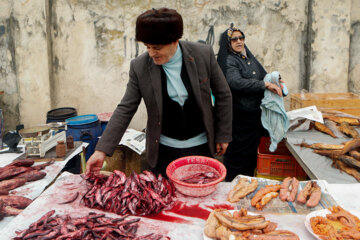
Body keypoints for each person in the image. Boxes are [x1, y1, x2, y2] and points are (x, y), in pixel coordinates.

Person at [86, 8, 232, 177]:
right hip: (163, 152)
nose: (151, 53)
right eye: (147, 47)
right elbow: (125, 108)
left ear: (175, 41)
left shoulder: (202, 54)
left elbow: (223, 94)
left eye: (157, 47)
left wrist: (223, 135)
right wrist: (101, 151)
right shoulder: (139, 66)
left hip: (201, 148)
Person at [217, 26, 283, 181]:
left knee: (251, 155)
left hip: (254, 117)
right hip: (239, 118)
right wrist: (264, 85)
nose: (239, 41)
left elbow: (262, 75)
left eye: (241, 38)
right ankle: (233, 185)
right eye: (234, 39)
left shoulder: (247, 57)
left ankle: (249, 184)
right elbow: (235, 82)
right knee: (238, 156)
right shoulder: (229, 60)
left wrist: (275, 80)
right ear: (228, 42)